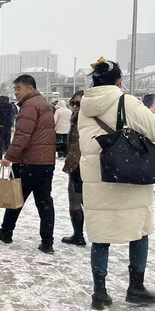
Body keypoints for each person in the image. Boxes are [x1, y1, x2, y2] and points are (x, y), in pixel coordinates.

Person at [77, 58, 155, 309]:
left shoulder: (85, 106)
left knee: (100, 234)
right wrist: (150, 115)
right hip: (128, 173)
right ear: (118, 81)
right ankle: (135, 286)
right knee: (138, 229)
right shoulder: (126, 101)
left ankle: (100, 292)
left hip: (97, 177)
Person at [0, 74, 56, 253]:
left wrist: (9, 156)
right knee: (45, 202)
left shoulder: (29, 106)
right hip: (46, 162)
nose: (16, 93)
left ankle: (6, 231)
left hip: (29, 162)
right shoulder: (44, 104)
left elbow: (22, 136)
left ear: (30, 88)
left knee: (15, 198)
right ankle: (47, 241)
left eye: (19, 89)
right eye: (15, 89)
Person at [61, 90, 86, 246]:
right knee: (78, 200)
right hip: (77, 164)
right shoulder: (75, 119)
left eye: (79, 103)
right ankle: (78, 234)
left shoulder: (84, 121)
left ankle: (79, 235)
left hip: (81, 165)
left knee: (77, 200)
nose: (76, 106)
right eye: (73, 103)